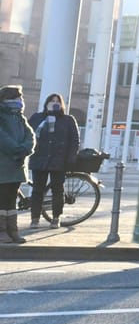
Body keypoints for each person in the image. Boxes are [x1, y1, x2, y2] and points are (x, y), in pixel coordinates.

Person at [27, 92, 80, 228]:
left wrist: (70, 158)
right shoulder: (38, 117)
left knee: (58, 190)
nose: (54, 103)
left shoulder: (68, 119)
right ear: (46, 104)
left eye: (57, 101)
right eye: (52, 101)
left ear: (61, 104)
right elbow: (28, 133)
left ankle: (56, 217)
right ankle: (35, 219)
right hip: (39, 158)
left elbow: (74, 140)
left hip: (59, 160)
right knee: (38, 190)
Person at [0, 86, 35, 244]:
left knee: (12, 200)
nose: (19, 101)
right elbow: (2, 138)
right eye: (15, 98)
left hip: (17, 165)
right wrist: (17, 149)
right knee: (3, 199)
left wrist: (26, 148)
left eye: (19, 98)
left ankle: (13, 231)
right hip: (4, 164)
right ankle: (2, 232)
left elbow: (30, 135)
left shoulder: (20, 117)